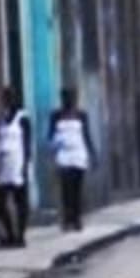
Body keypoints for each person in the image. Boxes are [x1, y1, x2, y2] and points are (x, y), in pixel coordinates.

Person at [49, 88, 96, 231]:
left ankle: (76, 219)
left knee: (77, 189)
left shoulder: (82, 115)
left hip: (78, 155)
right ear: (62, 99)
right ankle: (67, 219)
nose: (69, 101)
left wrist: (93, 154)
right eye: (67, 98)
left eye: (72, 98)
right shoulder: (56, 116)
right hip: (63, 156)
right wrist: (54, 148)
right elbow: (50, 136)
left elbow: (86, 136)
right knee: (65, 189)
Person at [0, 88, 32, 247]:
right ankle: (10, 234)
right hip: (3, 165)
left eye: (9, 98)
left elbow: (27, 143)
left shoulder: (23, 118)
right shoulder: (2, 119)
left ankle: (21, 236)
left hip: (18, 163)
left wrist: (25, 165)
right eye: (5, 98)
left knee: (20, 201)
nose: (6, 101)